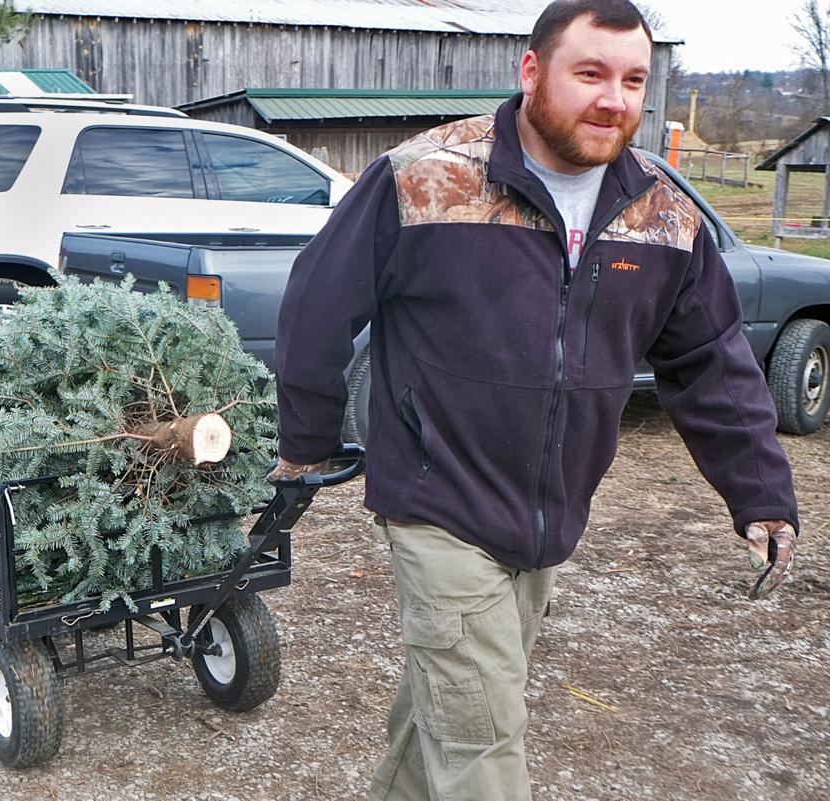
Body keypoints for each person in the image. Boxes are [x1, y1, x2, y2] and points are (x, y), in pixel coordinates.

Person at [269, 2, 800, 799]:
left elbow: (712, 364)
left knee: (445, 718)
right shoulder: (425, 176)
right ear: (531, 72)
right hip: (437, 501)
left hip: (548, 512)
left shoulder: (662, 216)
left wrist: (760, 491)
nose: (613, 99)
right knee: (484, 746)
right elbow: (318, 304)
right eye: (589, 73)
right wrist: (306, 440)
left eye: (632, 80)